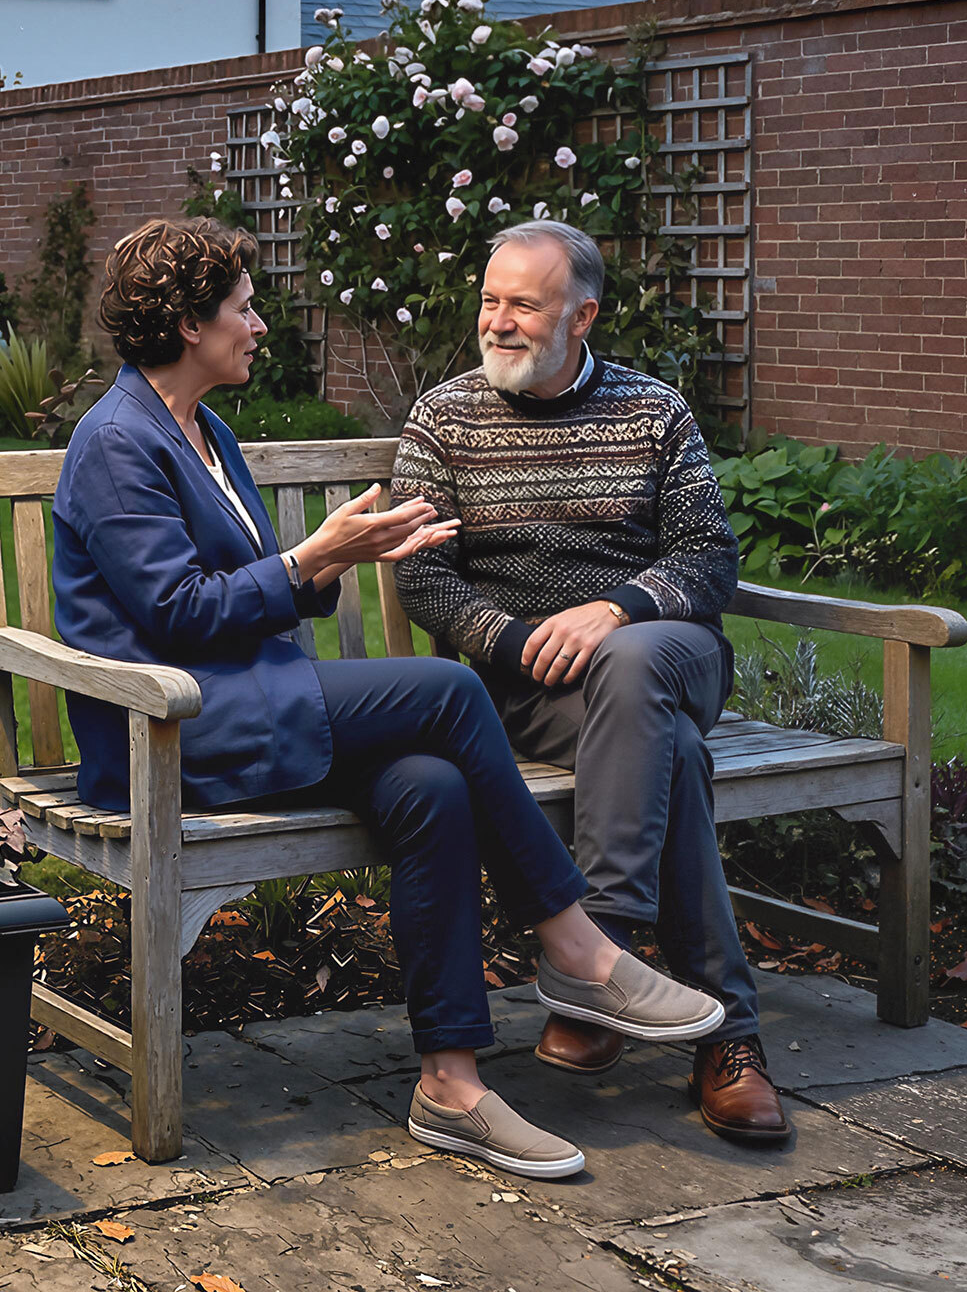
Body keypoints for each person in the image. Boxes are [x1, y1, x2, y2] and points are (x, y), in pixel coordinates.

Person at [52, 217, 725, 1180]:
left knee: (430, 787)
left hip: (249, 702)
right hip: (171, 730)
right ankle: (576, 944)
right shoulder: (118, 442)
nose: (260, 326)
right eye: (244, 309)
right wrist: (310, 559)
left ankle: (451, 1086)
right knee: (450, 692)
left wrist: (330, 562)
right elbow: (177, 612)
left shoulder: (200, 430)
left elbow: (252, 586)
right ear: (191, 325)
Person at [392, 219, 789, 1143]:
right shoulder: (444, 418)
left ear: (583, 314)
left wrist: (614, 610)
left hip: (662, 654)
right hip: (529, 688)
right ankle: (727, 1035)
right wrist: (513, 637)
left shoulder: (654, 412)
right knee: (676, 758)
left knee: (638, 662)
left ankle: (598, 946)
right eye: (490, 301)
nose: (498, 321)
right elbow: (422, 575)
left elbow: (707, 558)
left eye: (523, 304)